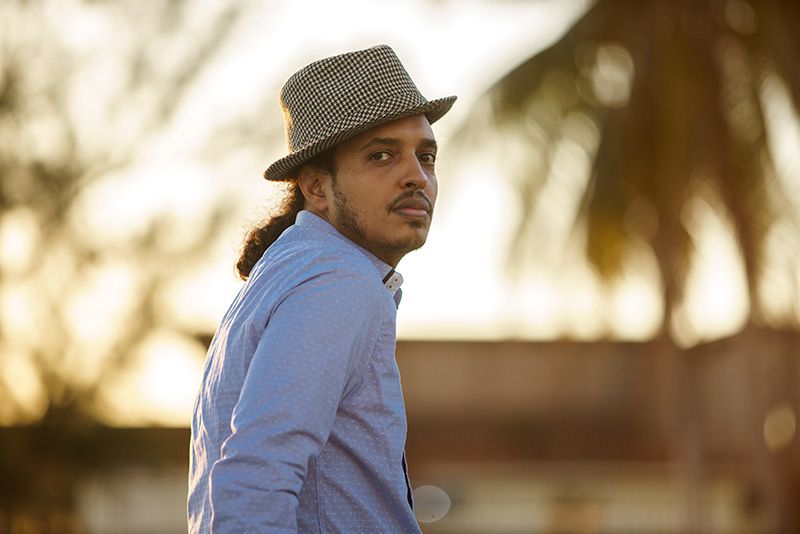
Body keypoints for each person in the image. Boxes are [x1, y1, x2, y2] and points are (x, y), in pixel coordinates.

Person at [187, 44, 456, 533]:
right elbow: (256, 477)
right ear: (316, 188)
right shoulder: (337, 282)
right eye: (381, 155)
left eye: (426, 156)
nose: (416, 177)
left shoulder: (293, 272)